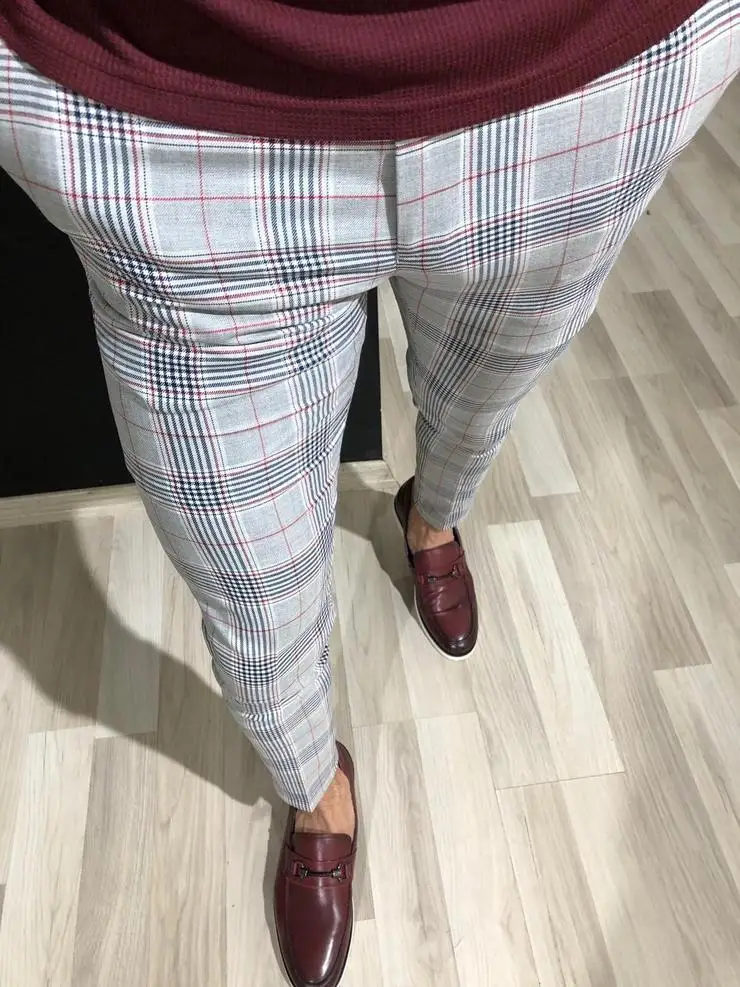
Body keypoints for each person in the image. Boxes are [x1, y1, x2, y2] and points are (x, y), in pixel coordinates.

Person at [0, 1, 737, 984]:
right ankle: (315, 787)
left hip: (581, 71)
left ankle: (430, 520)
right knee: (251, 587)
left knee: (480, 406)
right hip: (165, 97)